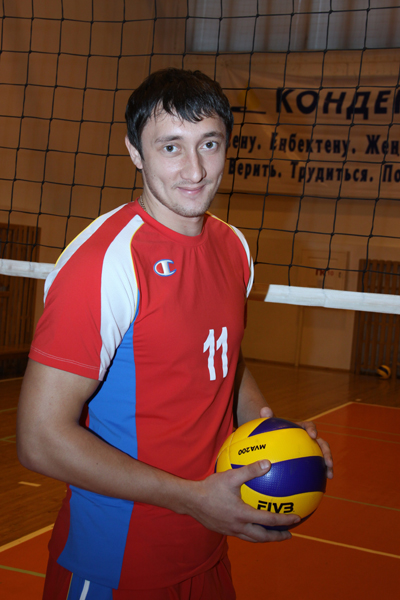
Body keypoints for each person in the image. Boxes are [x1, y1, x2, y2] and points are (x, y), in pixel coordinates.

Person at [17, 68, 333, 600]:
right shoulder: (105, 265)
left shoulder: (233, 247)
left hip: (207, 549)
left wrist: (274, 438)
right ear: (135, 152)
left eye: (209, 143)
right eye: (171, 147)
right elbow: (39, 439)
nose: (195, 169)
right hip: (115, 565)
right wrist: (192, 498)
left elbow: (223, 359)